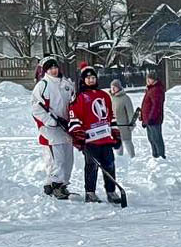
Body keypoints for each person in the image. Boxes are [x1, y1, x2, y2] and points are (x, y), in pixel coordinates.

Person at [69, 66, 123, 204]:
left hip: (105, 138)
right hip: (90, 140)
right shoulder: (80, 97)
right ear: (83, 80)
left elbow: (111, 116)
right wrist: (79, 136)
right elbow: (74, 118)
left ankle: (111, 192)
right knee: (91, 166)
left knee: (110, 164)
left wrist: (116, 134)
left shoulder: (104, 95)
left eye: (93, 77)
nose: (91, 80)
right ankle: (90, 193)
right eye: (88, 78)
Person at [32, 56, 76, 199]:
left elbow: (74, 102)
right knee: (59, 158)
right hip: (51, 128)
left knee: (69, 158)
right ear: (46, 70)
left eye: (55, 67)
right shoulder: (43, 85)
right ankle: (56, 184)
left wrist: (74, 120)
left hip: (67, 126)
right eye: (50, 68)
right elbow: (36, 108)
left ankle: (62, 184)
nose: (54, 70)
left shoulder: (67, 84)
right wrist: (50, 121)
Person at [140, 71, 167, 159]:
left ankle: (160, 155)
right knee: (151, 138)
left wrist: (151, 118)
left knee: (156, 138)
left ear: (154, 80)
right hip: (148, 119)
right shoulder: (150, 89)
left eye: (150, 79)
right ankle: (155, 155)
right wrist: (144, 118)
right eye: (147, 78)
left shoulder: (156, 89)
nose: (147, 80)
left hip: (154, 120)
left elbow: (156, 106)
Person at [110, 79, 136, 156]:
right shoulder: (111, 98)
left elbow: (130, 113)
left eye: (115, 87)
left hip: (124, 126)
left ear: (119, 87)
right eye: (112, 87)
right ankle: (120, 160)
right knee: (117, 144)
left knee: (127, 142)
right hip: (115, 126)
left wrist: (131, 124)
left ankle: (132, 157)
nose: (113, 89)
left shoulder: (125, 98)